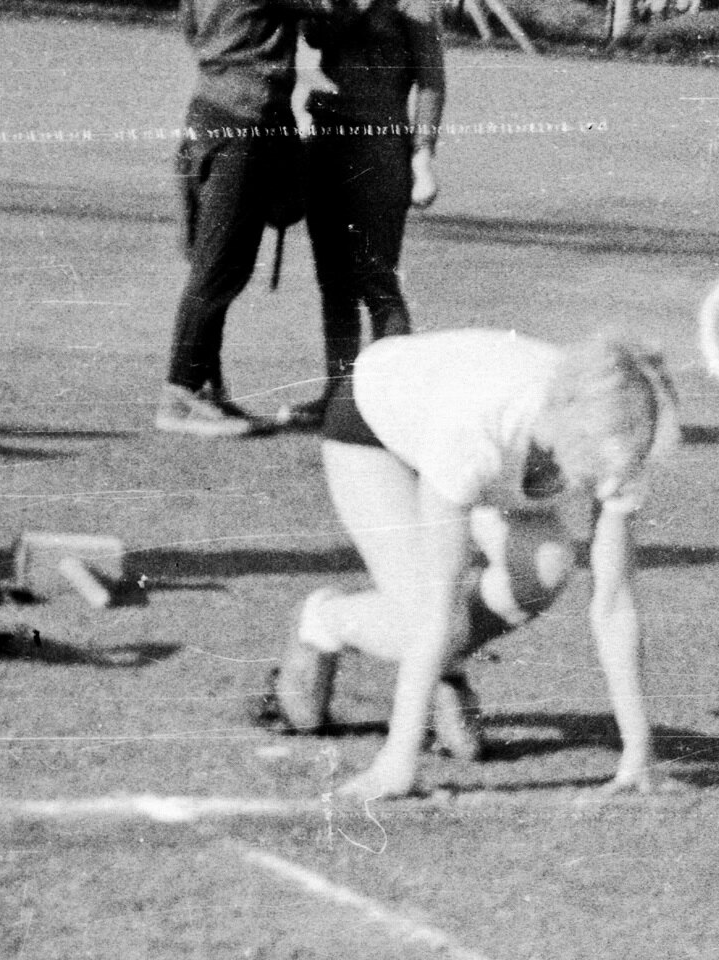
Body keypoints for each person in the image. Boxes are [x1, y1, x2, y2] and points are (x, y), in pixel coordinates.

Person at [262, 329, 682, 803]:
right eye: (599, 460)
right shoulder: (479, 427)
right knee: (425, 618)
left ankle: (442, 665)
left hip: (467, 441)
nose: (612, 478)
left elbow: (614, 603)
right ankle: (323, 619)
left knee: (546, 565)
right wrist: (398, 765)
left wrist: (639, 752)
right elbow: (437, 610)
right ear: (569, 421)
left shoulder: (619, 443)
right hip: (373, 423)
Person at [158, 0, 359, 438]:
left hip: (210, 111)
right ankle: (181, 394)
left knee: (214, 261)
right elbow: (336, 4)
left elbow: (191, 24)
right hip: (246, 118)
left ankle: (206, 386)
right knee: (220, 268)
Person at [299, 0, 444, 402]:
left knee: (375, 277)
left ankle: (393, 405)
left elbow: (431, 81)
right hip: (328, 145)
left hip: (381, 151)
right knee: (332, 279)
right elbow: (316, 37)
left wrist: (424, 157)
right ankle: (339, 400)